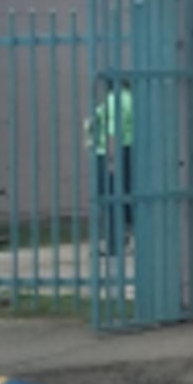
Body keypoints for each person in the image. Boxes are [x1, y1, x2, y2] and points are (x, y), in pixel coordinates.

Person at [86, 79, 134, 255]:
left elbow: (114, 130)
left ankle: (115, 242)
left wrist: (111, 156)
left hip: (110, 152)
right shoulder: (131, 98)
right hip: (126, 150)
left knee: (110, 196)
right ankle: (126, 237)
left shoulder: (116, 99)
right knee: (126, 194)